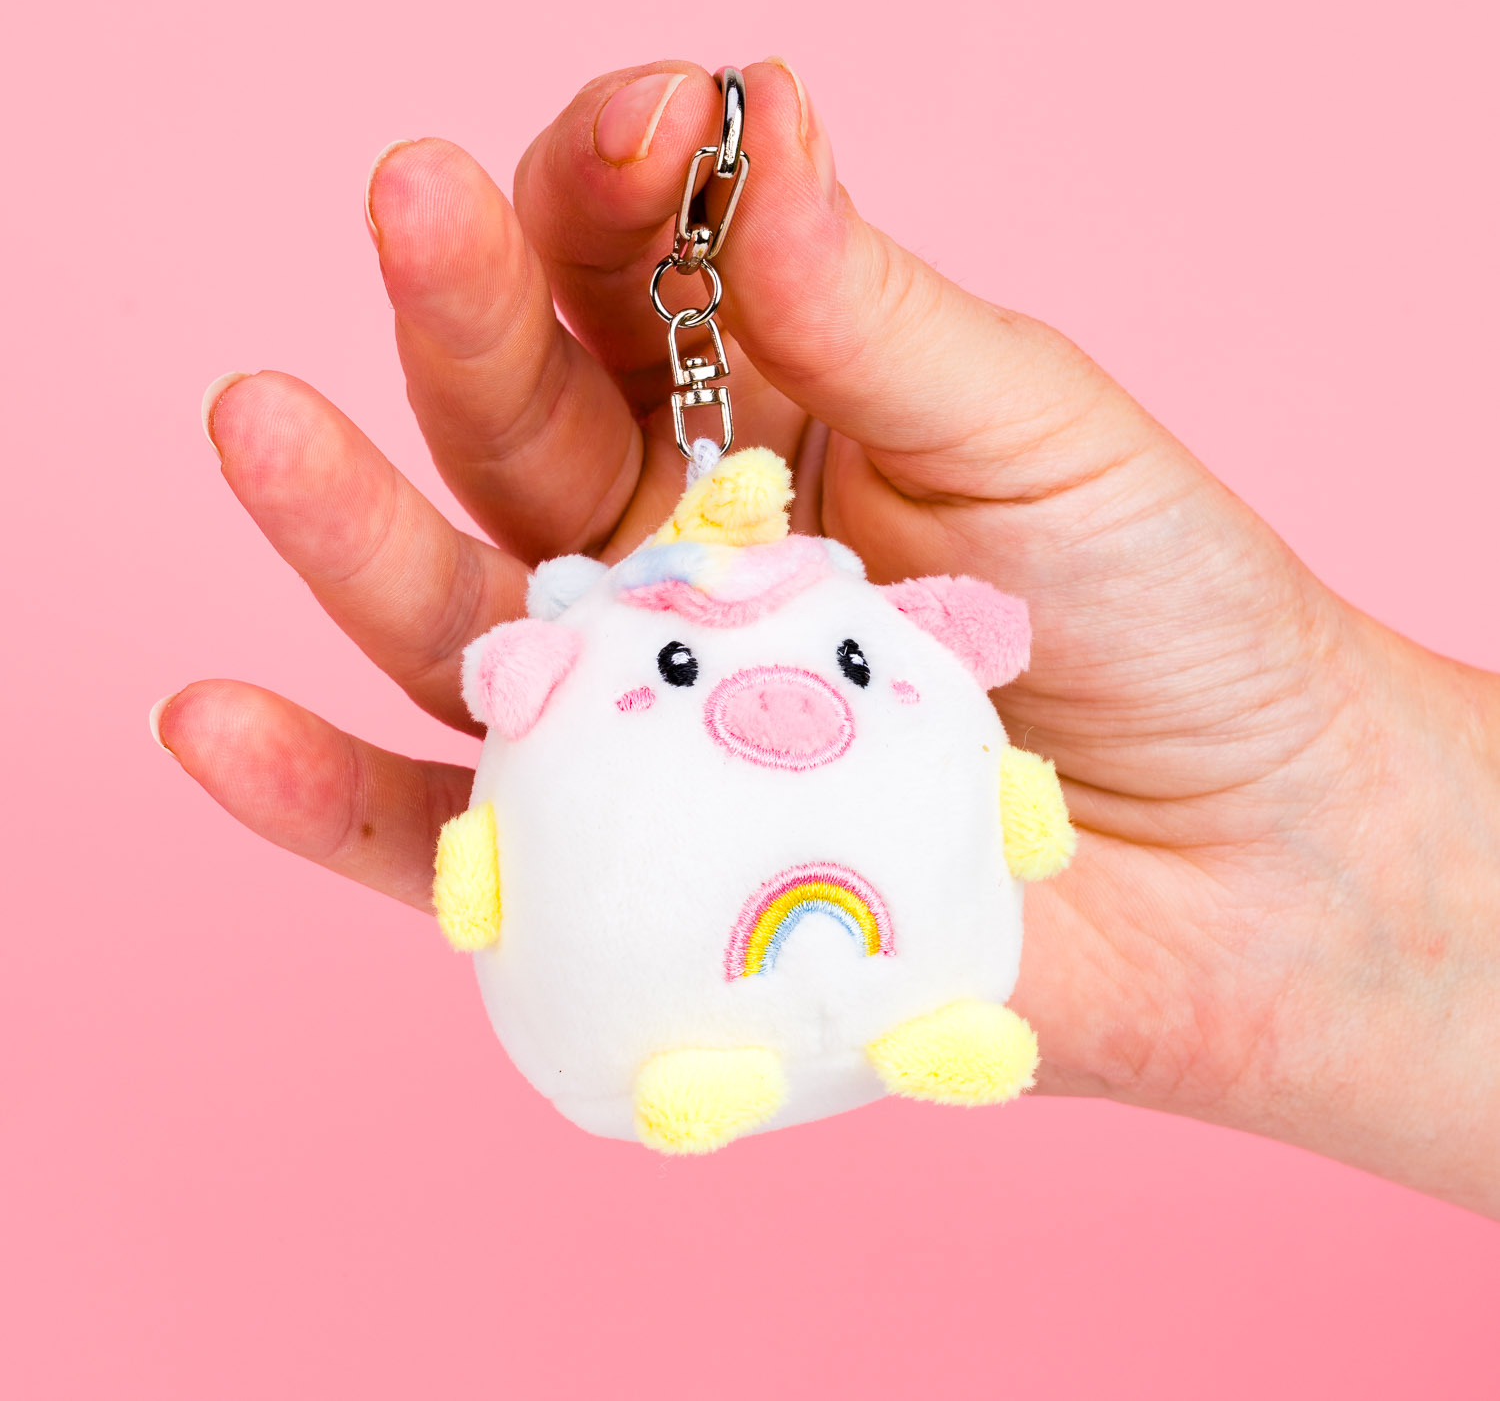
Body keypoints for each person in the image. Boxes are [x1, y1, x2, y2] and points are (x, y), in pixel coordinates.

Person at [149, 59, 1500, 1218]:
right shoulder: (580, 655)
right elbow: (486, 859)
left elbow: (1016, 796)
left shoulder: (871, 623)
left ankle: (917, 1020)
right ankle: (715, 1056)